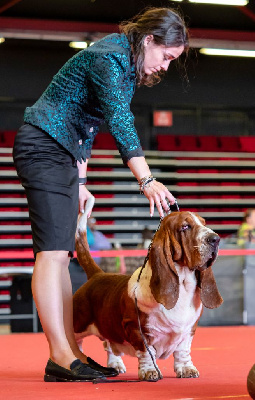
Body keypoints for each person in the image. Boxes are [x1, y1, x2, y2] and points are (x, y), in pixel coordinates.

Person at [13, 7, 189, 382]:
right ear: (149, 40)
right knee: (51, 254)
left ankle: (70, 351)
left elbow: (85, 126)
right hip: (42, 147)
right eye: (166, 57)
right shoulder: (109, 57)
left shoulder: (123, 64)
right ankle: (60, 355)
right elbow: (118, 119)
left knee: (61, 257)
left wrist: (80, 184)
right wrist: (147, 180)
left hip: (60, 152)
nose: (165, 66)